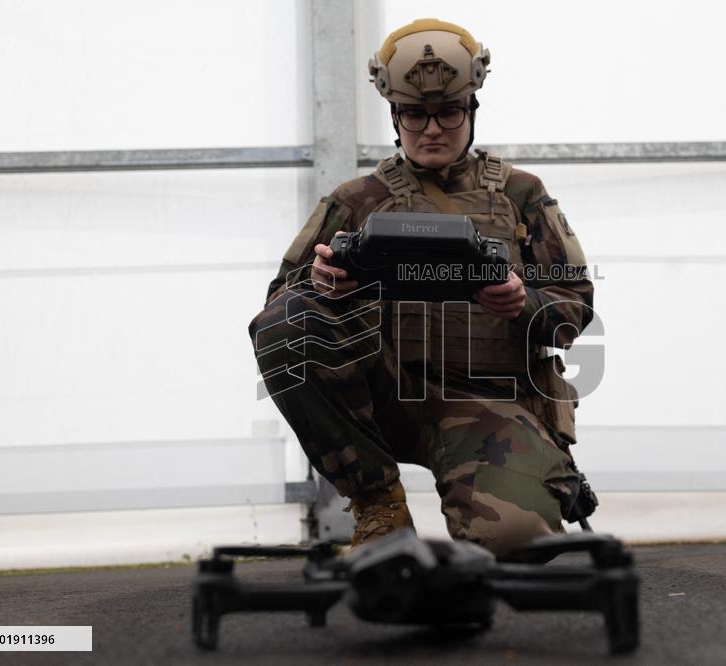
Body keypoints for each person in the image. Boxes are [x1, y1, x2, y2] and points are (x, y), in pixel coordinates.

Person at [249, 18, 594, 557]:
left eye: (448, 112)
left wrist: (524, 301)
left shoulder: (523, 196)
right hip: (382, 394)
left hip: (488, 404)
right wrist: (320, 280)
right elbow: (278, 305)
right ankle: (379, 505)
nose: (432, 129)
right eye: (414, 114)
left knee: (519, 546)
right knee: (291, 324)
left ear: (471, 109)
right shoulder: (356, 199)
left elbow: (576, 308)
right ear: (395, 115)